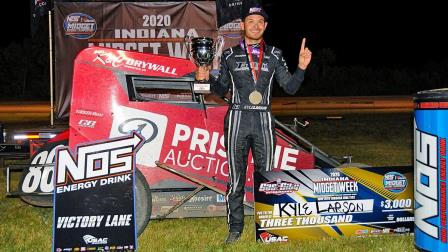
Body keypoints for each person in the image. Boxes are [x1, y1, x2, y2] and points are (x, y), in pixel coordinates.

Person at [195, 4, 312, 244]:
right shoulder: (229, 55)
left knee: (267, 177)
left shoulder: (275, 54)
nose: (256, 25)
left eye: (260, 21)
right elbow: (221, 90)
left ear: (265, 26)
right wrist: (205, 78)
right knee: (236, 179)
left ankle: (267, 228)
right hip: (237, 119)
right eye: (251, 21)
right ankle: (235, 230)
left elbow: (290, 88)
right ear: (242, 25)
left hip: (263, 120)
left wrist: (301, 67)